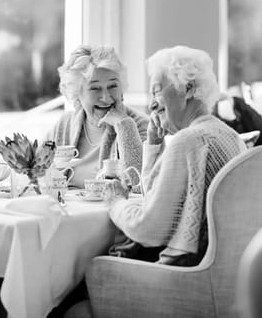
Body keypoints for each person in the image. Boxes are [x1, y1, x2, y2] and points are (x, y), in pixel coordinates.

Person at [107, 45, 246, 265]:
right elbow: (154, 198)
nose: (152, 104)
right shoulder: (231, 137)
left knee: (91, 270)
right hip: (225, 272)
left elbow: (147, 229)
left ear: (188, 89)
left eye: (156, 91)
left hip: (184, 275)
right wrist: (154, 144)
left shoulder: (189, 141)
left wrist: (115, 201)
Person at [46, 45, 148, 188]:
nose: (106, 98)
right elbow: (38, 170)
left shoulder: (141, 125)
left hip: (114, 209)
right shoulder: (65, 124)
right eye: (95, 88)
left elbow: (139, 184)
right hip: (67, 209)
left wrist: (124, 125)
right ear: (77, 93)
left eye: (112, 86)